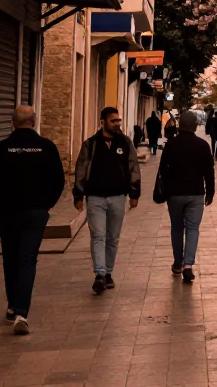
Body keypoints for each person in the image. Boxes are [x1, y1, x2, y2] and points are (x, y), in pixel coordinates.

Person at [0, 105, 64, 336]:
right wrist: (47, 204)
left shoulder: (1, 149)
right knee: (27, 259)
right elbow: (58, 181)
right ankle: (21, 312)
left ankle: (12, 304)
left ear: (12, 122)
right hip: (36, 211)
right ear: (34, 122)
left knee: (10, 258)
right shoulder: (46, 148)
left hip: (8, 212)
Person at [73, 107, 141, 294]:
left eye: (118, 120)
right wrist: (78, 195)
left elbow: (133, 167)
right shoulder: (91, 144)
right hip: (95, 198)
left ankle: (108, 272)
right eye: (113, 121)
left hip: (118, 198)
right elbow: (81, 169)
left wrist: (134, 194)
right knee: (98, 235)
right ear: (102, 122)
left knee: (113, 237)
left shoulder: (125, 143)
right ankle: (100, 274)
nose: (117, 124)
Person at [157, 110, 215, 283]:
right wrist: (210, 190)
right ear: (195, 125)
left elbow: (163, 171)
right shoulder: (203, 145)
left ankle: (177, 261)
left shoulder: (170, 145)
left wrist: (166, 190)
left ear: (180, 125)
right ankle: (188, 265)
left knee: (177, 227)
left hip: (174, 193)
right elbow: (208, 171)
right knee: (192, 229)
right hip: (196, 193)